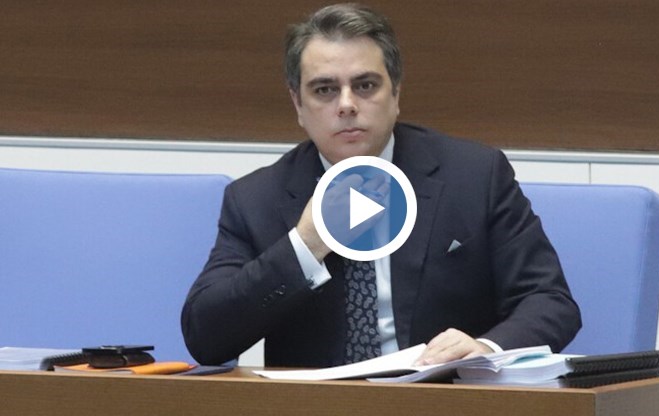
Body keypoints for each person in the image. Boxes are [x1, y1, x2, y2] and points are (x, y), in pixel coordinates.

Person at [181, 3, 581, 367]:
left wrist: (487, 349)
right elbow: (206, 338)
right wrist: (306, 245)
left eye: (365, 85)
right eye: (324, 90)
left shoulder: (475, 176)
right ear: (298, 105)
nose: (347, 104)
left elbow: (550, 301)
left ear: (396, 92)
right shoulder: (256, 199)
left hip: (446, 399)